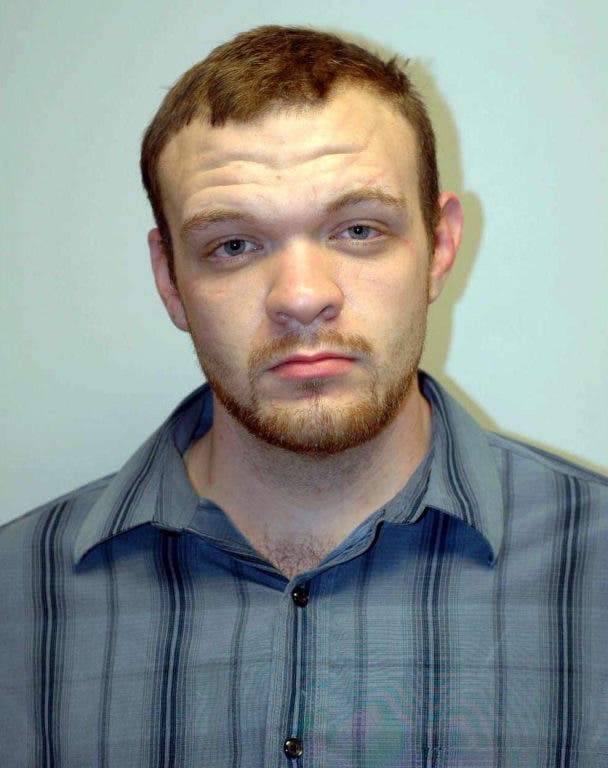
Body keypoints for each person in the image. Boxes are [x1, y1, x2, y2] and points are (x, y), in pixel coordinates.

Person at [1, 25, 606, 767]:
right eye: (233, 245)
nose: (301, 297)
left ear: (440, 246)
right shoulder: (15, 596)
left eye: (358, 229)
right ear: (170, 280)